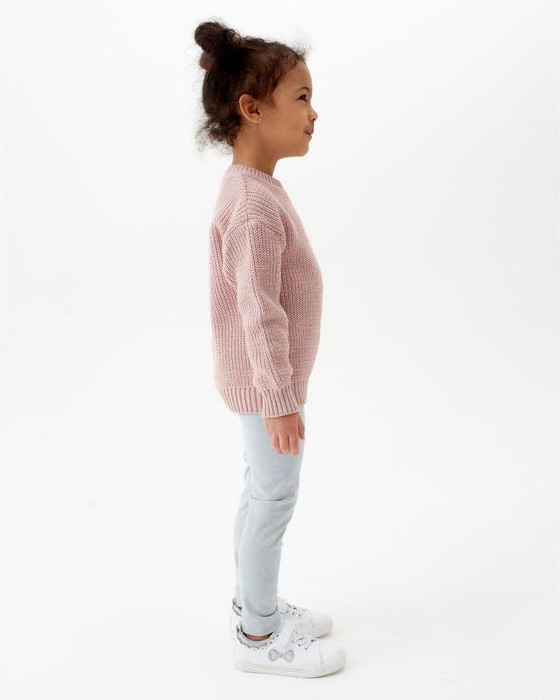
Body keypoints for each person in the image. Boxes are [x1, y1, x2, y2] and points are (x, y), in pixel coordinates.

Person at [194, 19, 346, 678]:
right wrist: (280, 400)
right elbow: (259, 312)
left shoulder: (255, 191)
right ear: (252, 110)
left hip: (263, 383)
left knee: (261, 491)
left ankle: (251, 606)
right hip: (267, 386)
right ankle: (258, 636)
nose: (315, 112)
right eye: (302, 97)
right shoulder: (253, 207)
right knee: (274, 498)